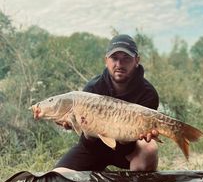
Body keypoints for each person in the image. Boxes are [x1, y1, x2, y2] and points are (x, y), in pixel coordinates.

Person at [54, 34, 159, 172]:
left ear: (136, 60)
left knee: (149, 147)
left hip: (128, 151)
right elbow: (87, 141)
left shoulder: (148, 93)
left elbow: (134, 139)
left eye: (126, 58)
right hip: (94, 149)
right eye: (114, 58)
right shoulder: (92, 89)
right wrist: (76, 125)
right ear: (106, 61)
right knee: (58, 175)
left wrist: (136, 135)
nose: (119, 64)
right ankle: (99, 170)